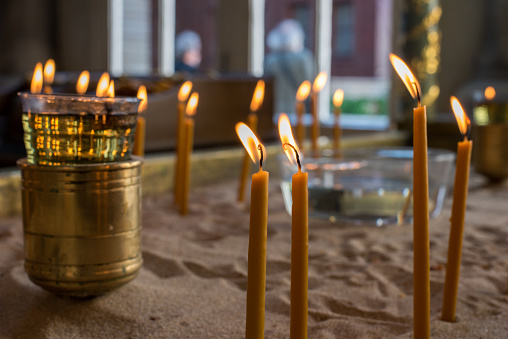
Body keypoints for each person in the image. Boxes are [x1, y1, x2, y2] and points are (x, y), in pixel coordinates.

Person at [264, 19, 313, 114]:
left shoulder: (270, 60)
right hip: (297, 110)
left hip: (274, 111)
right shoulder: (304, 58)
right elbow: (310, 85)